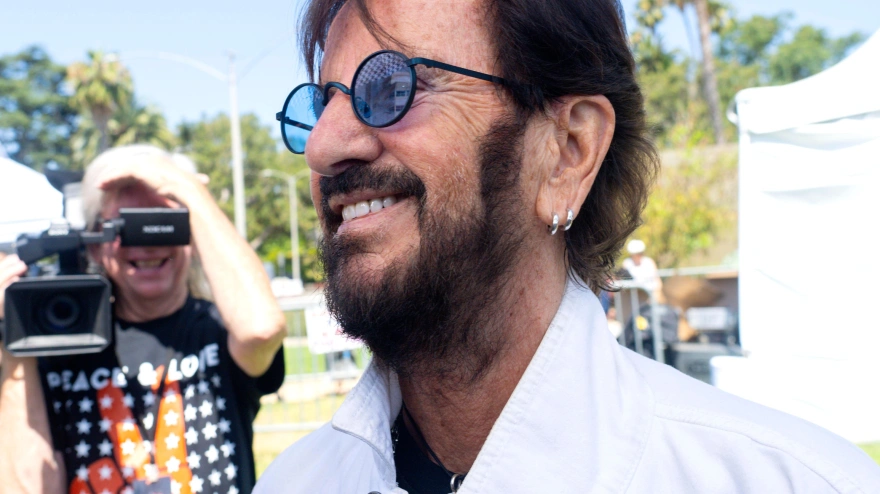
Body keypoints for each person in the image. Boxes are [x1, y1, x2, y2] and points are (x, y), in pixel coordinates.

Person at [257, 0, 880, 492]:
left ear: (567, 152)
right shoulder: (294, 483)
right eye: (319, 103)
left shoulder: (784, 481)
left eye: (392, 86)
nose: (323, 146)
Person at [0, 145, 287, 494]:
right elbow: (26, 488)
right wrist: (11, 339)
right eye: (124, 225)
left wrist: (187, 190)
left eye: (163, 222)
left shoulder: (218, 330)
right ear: (93, 244)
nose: (147, 243)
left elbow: (261, 329)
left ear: (193, 236)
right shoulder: (58, 343)